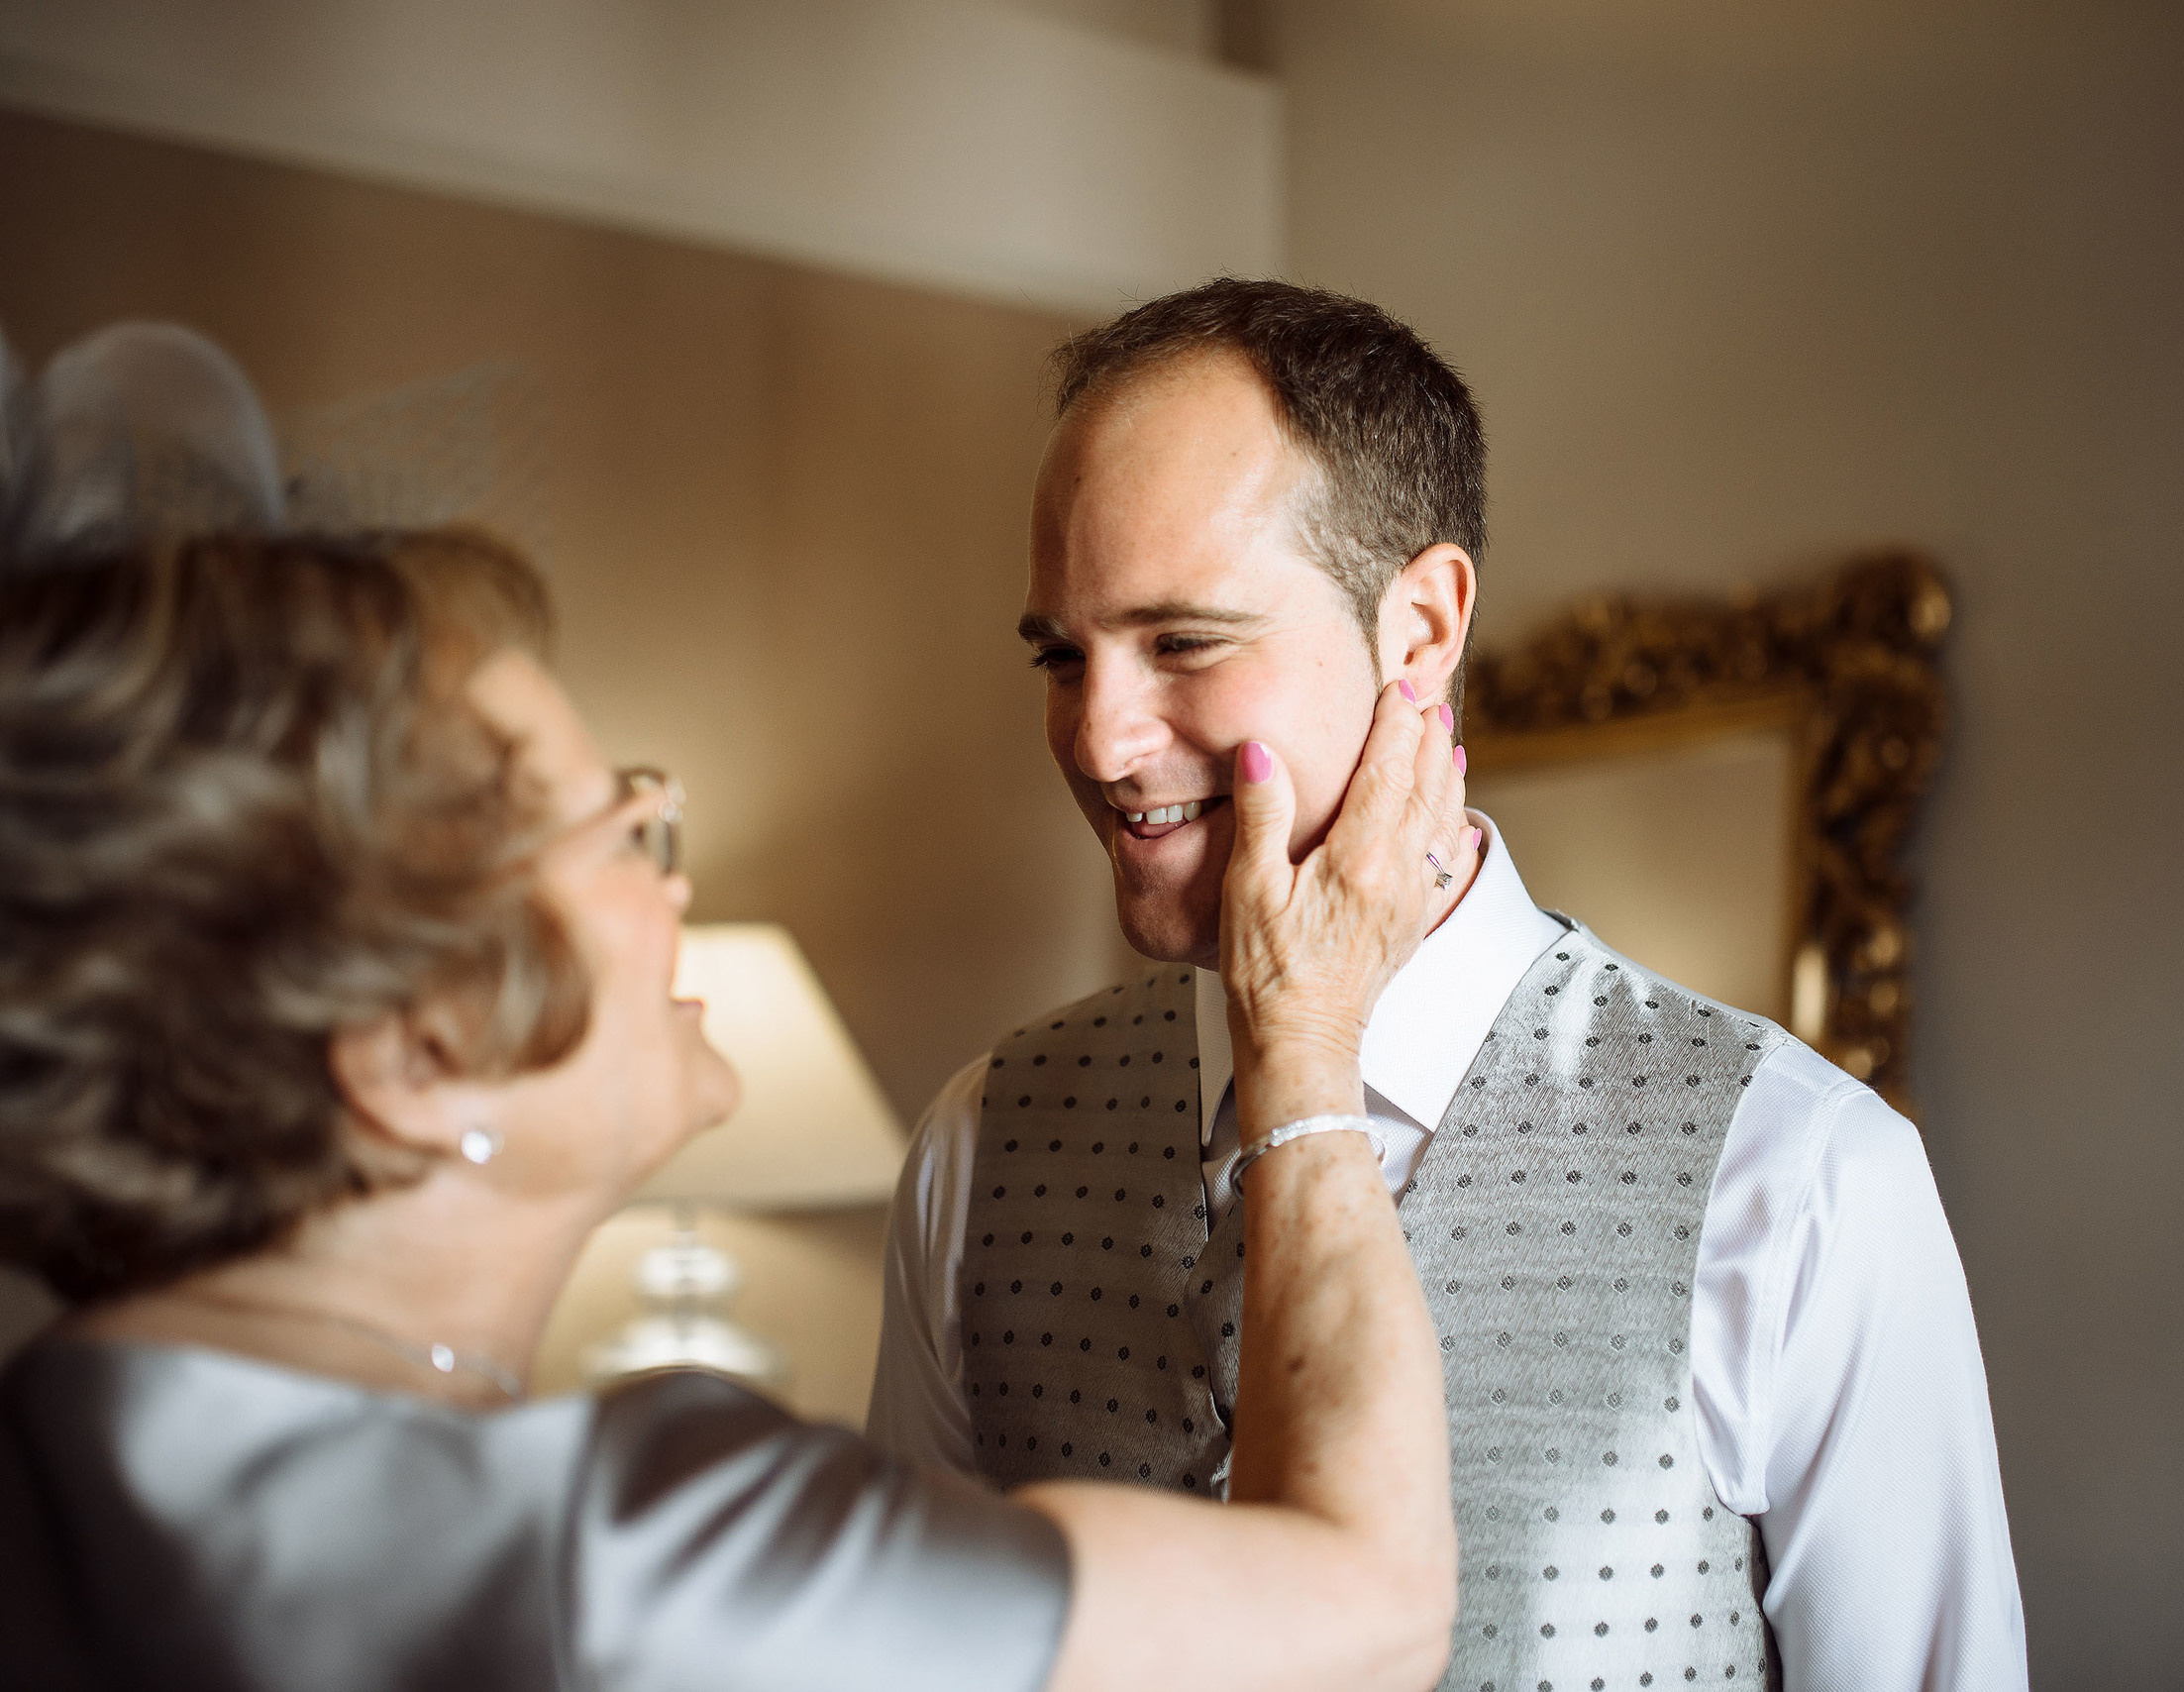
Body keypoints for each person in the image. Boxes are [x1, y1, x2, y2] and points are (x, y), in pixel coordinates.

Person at [0, 322, 1469, 1691]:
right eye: (618, 829)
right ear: (410, 1047)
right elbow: (1372, 1615)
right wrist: (1305, 1047)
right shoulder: (635, 1551)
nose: (674, 888)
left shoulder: (50, 1444)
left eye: (1187, 640)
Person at [868, 279, 2031, 1691]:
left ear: (1420, 628)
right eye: (1064, 656)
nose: (1100, 741)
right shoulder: (981, 1145)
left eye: (1182, 642)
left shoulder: (1796, 1179)